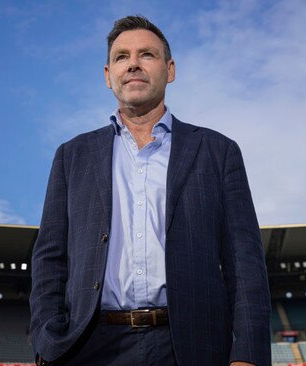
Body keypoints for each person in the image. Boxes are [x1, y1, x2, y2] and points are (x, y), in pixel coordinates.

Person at [30, 15, 270, 366]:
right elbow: (49, 258)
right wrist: (46, 342)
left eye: (147, 55)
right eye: (121, 57)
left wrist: (247, 356)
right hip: (88, 348)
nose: (133, 65)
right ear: (107, 75)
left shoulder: (218, 152)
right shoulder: (72, 156)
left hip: (190, 348)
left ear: (170, 70)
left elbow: (244, 262)